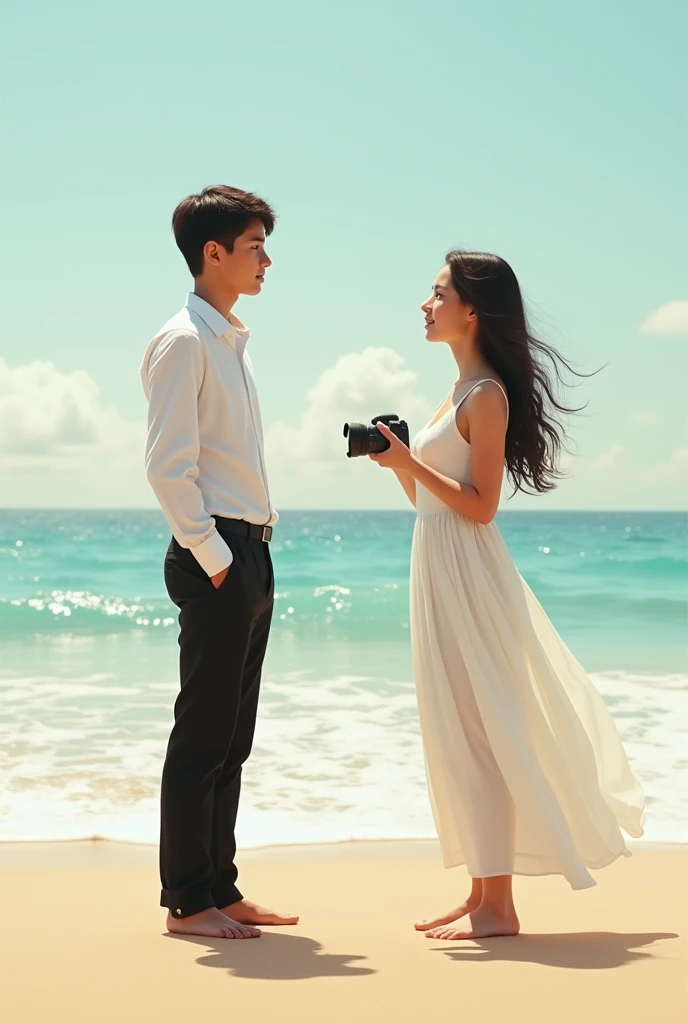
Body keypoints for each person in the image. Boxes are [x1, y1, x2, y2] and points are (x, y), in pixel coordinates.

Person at [369, 251, 645, 940]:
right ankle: (481, 892)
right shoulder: (455, 391)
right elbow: (430, 505)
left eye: (437, 293)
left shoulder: (485, 393)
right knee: (461, 728)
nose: (425, 304)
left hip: (468, 569)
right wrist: (398, 466)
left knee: (483, 729)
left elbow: (483, 505)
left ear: (473, 310)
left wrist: (409, 463)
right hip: (438, 563)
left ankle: (500, 908)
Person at [140, 185, 298, 940]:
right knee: (202, 736)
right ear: (214, 253)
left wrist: (246, 558)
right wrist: (217, 558)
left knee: (233, 738)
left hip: (250, 549)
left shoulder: (229, 340)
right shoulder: (183, 341)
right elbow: (170, 469)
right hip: (220, 554)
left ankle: (220, 887)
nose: (267, 259)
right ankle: (186, 901)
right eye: (254, 245)